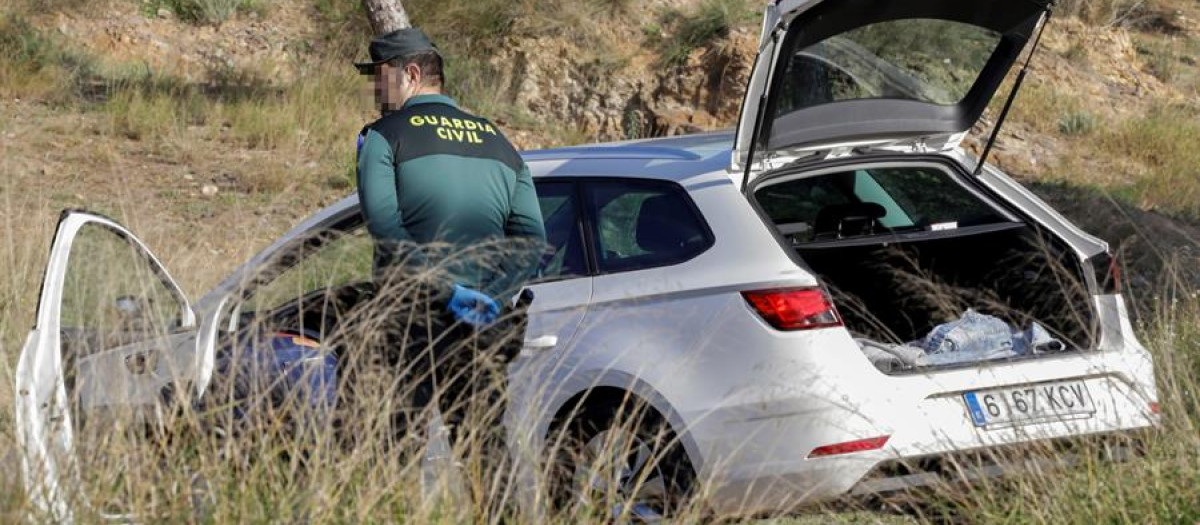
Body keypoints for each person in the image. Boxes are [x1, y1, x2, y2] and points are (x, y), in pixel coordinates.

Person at [351, 28, 546, 487]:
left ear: (411, 73)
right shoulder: (500, 143)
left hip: (409, 320)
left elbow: (386, 232)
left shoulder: (382, 137)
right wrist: (489, 296)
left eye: (380, 78)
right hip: (484, 326)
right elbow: (532, 239)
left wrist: (444, 290)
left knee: (394, 451)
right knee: (485, 452)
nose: (375, 90)